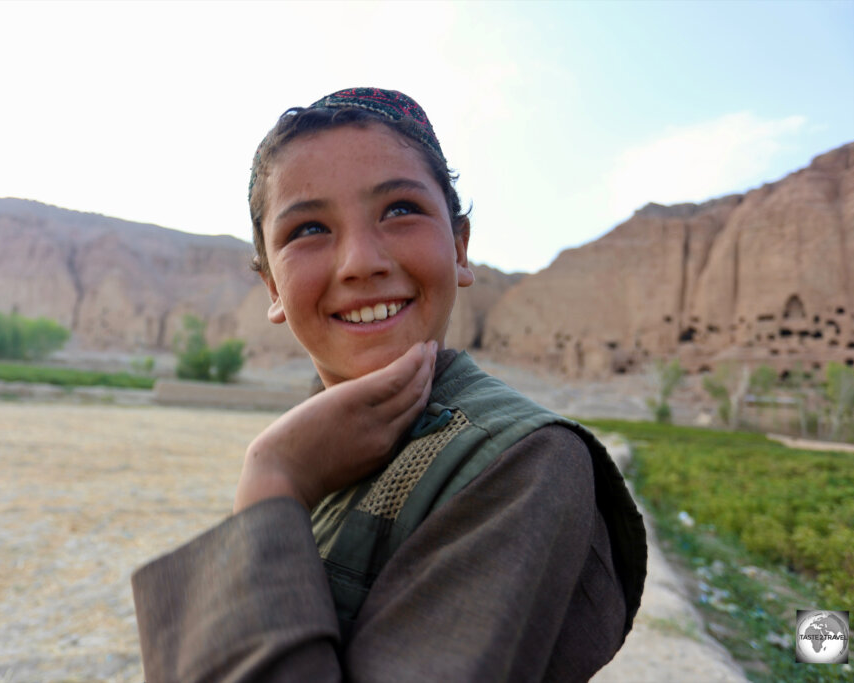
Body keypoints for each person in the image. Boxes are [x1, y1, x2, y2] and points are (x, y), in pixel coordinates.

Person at [131, 87, 647, 682]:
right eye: (308, 229)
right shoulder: (328, 440)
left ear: (459, 247)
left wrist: (272, 480)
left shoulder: (523, 462)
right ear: (272, 286)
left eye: (400, 210)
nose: (359, 262)